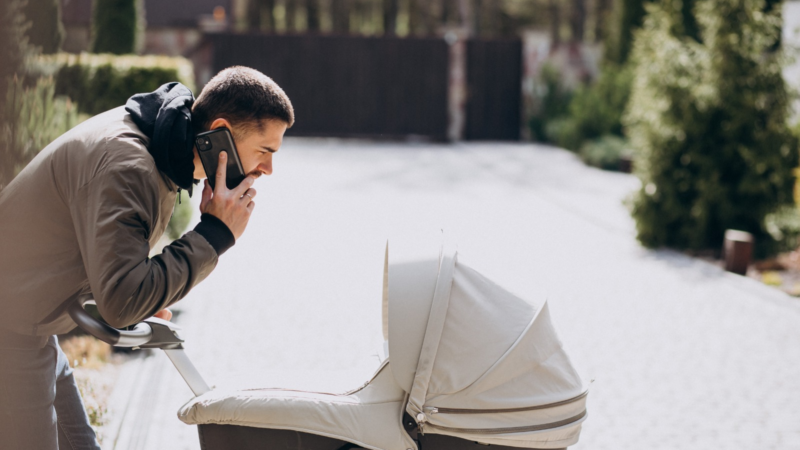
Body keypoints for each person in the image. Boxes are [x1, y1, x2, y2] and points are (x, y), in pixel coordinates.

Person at [0, 66, 294, 449]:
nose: (269, 169)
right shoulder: (131, 166)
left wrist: (146, 293)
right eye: (265, 151)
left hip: (29, 324)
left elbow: (102, 261)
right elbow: (122, 301)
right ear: (221, 131)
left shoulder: (158, 148)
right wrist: (214, 234)